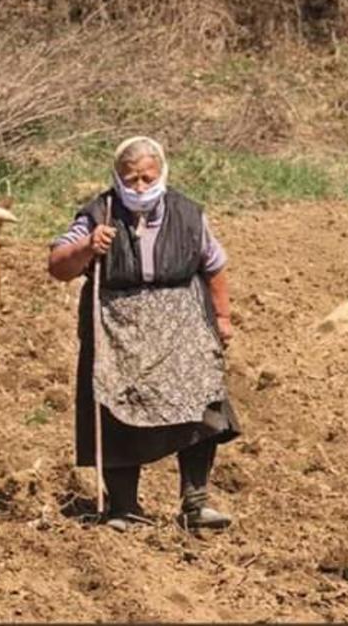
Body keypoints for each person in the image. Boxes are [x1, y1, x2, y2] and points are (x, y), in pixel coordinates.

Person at [48, 136, 241, 532]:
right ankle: (123, 507)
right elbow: (58, 265)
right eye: (130, 178)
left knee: (200, 401)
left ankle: (196, 502)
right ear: (117, 178)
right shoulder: (97, 213)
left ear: (162, 175)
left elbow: (215, 266)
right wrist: (87, 246)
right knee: (116, 408)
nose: (139, 187)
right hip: (118, 329)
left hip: (181, 326)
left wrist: (222, 317)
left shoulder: (189, 214)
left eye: (146, 178)